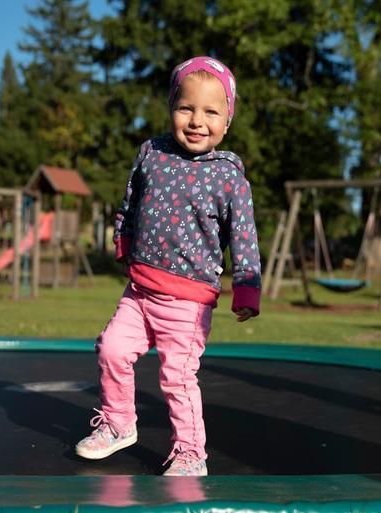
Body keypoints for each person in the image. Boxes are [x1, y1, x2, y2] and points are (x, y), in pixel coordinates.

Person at [75, 56, 261, 476]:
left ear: (227, 121)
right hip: (140, 291)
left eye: (211, 112)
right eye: (186, 108)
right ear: (171, 108)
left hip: (188, 301)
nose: (197, 121)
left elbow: (244, 236)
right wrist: (124, 242)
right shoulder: (152, 152)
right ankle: (119, 423)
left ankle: (190, 453)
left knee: (176, 378)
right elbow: (130, 202)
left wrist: (247, 289)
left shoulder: (228, 176)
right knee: (111, 349)